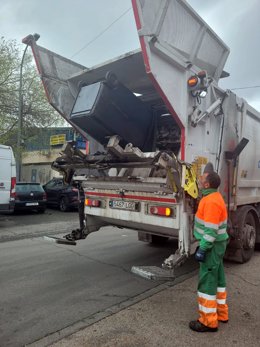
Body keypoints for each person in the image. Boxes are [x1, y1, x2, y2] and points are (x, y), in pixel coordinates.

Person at [189, 171, 229, 332]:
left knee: (207, 282)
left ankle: (208, 321)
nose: (199, 179)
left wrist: (203, 248)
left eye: (201, 178)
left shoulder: (211, 202)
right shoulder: (214, 197)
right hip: (218, 246)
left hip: (212, 247)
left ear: (206, 184)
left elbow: (211, 231)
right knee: (219, 280)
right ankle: (221, 313)